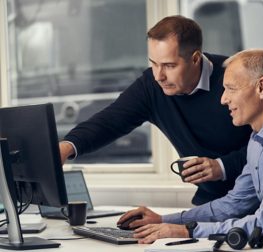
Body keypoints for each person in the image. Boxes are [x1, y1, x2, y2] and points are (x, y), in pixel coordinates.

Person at [118, 49, 263, 243]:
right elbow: (233, 204)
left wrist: (186, 231)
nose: (223, 99)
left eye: (231, 88)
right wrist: (164, 220)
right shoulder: (259, 138)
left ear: (261, 87)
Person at [59, 15, 252, 205]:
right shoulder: (152, 86)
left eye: (169, 65)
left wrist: (223, 166)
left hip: (255, 202)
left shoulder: (234, 78)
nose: (159, 76)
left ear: (195, 59)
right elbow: (110, 121)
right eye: (153, 63)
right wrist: (66, 147)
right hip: (208, 205)